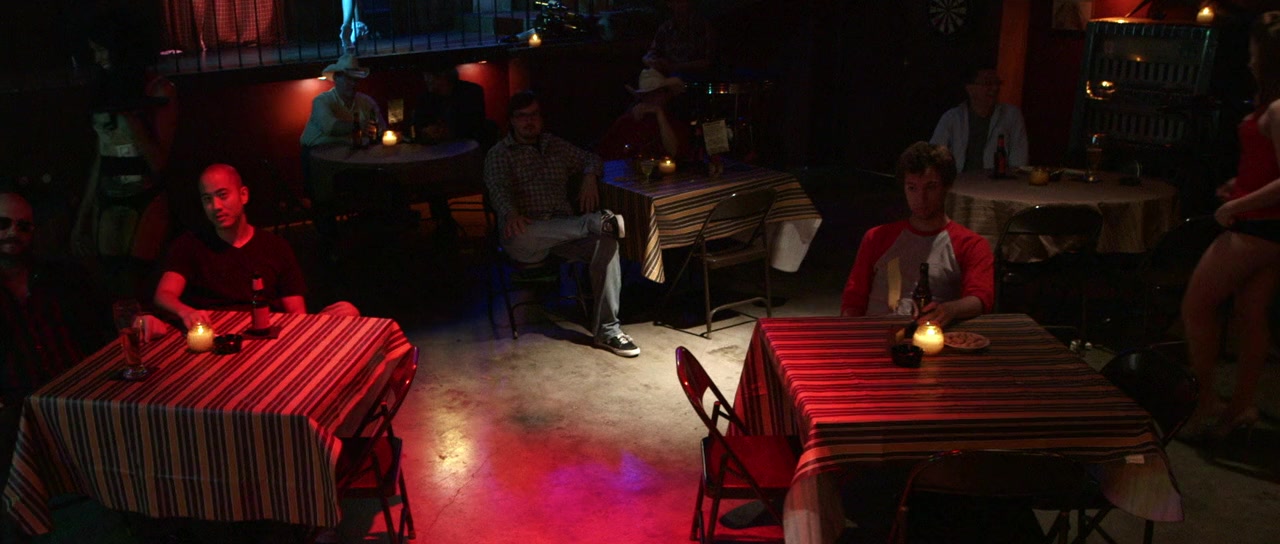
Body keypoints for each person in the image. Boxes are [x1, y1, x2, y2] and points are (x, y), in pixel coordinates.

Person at [2, 189, 171, 495]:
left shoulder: (60, 276)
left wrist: (140, 318)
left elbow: (109, 309)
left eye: (23, 225)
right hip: (17, 407)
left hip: (80, 394)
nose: (13, 232)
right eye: (3, 224)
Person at [1179, 12, 1280, 442]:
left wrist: (1238, 203)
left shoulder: (1278, 108)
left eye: (1255, 52)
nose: (1249, 60)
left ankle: (1205, 402)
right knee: (1251, 316)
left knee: (1196, 306)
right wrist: (1238, 186)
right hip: (1268, 226)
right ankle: (1240, 407)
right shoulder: (1270, 105)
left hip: (1257, 228)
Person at [484, 91, 639, 357]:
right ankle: (594, 221)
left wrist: (589, 176)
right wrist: (509, 213)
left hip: (564, 232)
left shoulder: (554, 145)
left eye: (534, 115)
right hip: (527, 235)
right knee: (527, 231)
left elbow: (592, 159)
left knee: (606, 242)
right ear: (511, 121)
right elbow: (497, 190)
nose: (529, 121)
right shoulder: (500, 154)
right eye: (522, 117)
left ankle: (608, 330)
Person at [154, 164, 358, 329]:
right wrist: (186, 312)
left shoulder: (275, 246)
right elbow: (164, 294)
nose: (215, 206)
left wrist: (321, 322)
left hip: (266, 333)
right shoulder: (190, 244)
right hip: (216, 334)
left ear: (243, 195)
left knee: (348, 311)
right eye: (208, 199)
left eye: (222, 195)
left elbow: (296, 312)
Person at [841, 142, 994, 326]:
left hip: (933, 334)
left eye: (931, 187)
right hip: (875, 333)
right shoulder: (877, 237)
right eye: (912, 188)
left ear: (946, 186)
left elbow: (980, 298)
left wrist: (950, 310)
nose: (921, 198)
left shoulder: (970, 244)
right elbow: (854, 299)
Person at [71, 8, 178, 263]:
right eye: (94, 51)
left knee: (138, 272)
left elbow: (159, 162)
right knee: (108, 272)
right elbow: (101, 157)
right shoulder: (102, 90)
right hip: (108, 192)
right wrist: (82, 218)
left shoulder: (158, 90)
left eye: (101, 50)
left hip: (145, 192)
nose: (97, 58)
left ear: (120, 49)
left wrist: (131, 117)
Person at [300, 54, 385, 242]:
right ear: (336, 78)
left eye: (355, 79)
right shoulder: (322, 101)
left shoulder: (366, 102)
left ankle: (370, 234)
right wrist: (360, 127)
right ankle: (330, 240)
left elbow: (381, 130)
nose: (352, 83)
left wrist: (376, 134)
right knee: (325, 199)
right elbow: (330, 127)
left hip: (353, 157)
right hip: (317, 158)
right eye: (348, 78)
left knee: (377, 183)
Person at [412, 64, 495, 239]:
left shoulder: (471, 93)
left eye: (430, 76)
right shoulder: (425, 98)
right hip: (439, 158)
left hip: (469, 158)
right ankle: (444, 222)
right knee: (430, 173)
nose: (426, 80)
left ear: (443, 76)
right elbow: (417, 126)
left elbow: (477, 125)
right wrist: (426, 132)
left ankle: (495, 216)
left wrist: (451, 132)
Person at [929, 68, 1028, 173]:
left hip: (998, 181)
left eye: (997, 83)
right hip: (960, 180)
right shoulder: (952, 118)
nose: (995, 88)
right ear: (970, 88)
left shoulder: (1011, 116)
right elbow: (933, 157)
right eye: (988, 83)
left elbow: (1019, 159)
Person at [596, 68, 690, 162]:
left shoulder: (675, 120)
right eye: (647, 95)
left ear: (666, 95)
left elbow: (675, 153)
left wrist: (660, 114)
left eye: (657, 93)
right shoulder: (627, 120)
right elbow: (603, 153)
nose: (652, 98)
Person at [644, 0, 715, 79]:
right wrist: (653, 62)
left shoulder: (701, 27)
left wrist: (675, 67)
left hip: (694, 77)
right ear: (669, 4)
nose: (680, 5)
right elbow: (650, 54)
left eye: (683, 1)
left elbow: (707, 62)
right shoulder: (665, 29)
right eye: (676, 2)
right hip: (668, 77)